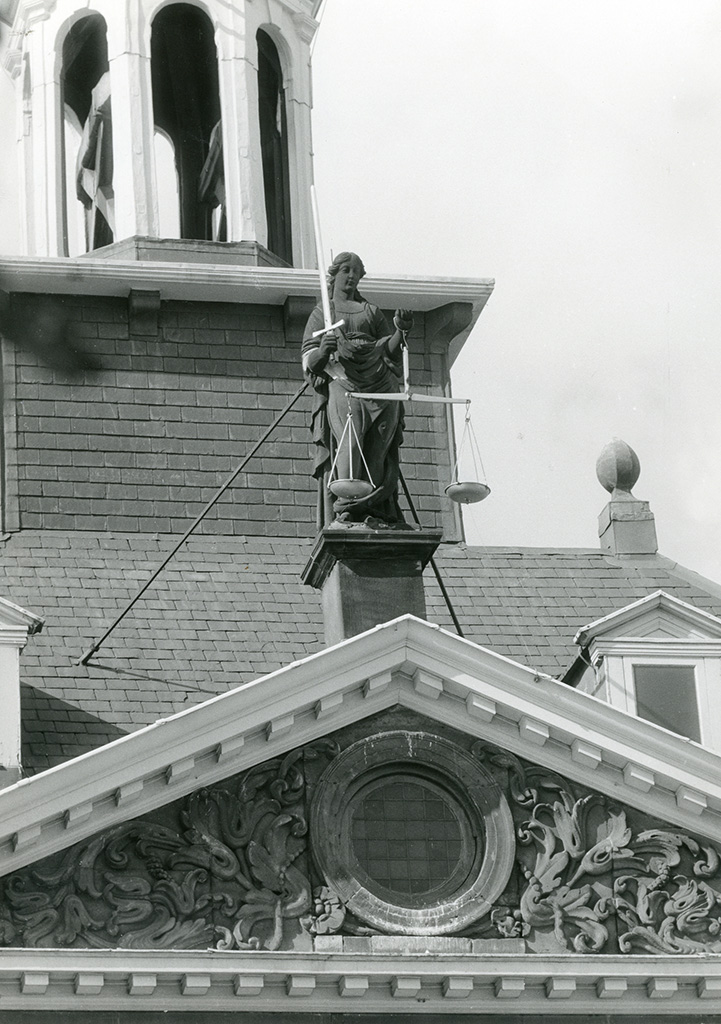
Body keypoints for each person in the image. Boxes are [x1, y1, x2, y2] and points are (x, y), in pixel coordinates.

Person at [302, 252, 413, 527]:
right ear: (335, 274)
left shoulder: (371, 312)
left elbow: (389, 349)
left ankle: (370, 509)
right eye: (346, 270)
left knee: (376, 449)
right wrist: (323, 351)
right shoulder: (323, 313)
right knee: (350, 441)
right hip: (343, 380)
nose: (351, 276)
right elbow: (309, 360)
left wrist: (401, 331)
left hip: (379, 383)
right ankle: (346, 508)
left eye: (356, 271)